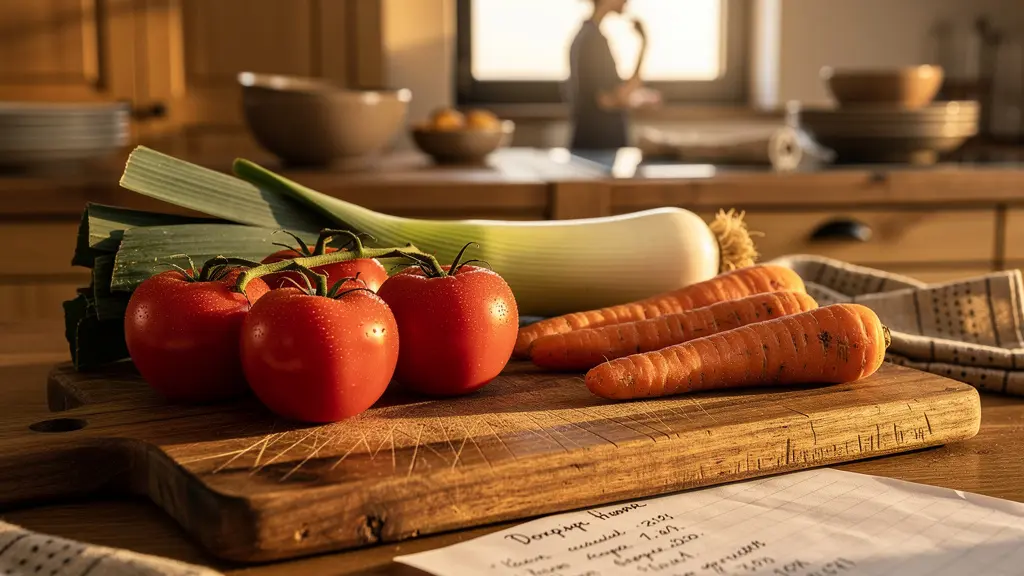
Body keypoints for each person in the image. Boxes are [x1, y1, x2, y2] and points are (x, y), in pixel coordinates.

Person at [565, 0, 657, 150]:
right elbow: (610, 99)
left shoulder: (587, 35)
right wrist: (644, 45)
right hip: (599, 146)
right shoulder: (593, 41)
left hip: (596, 143)